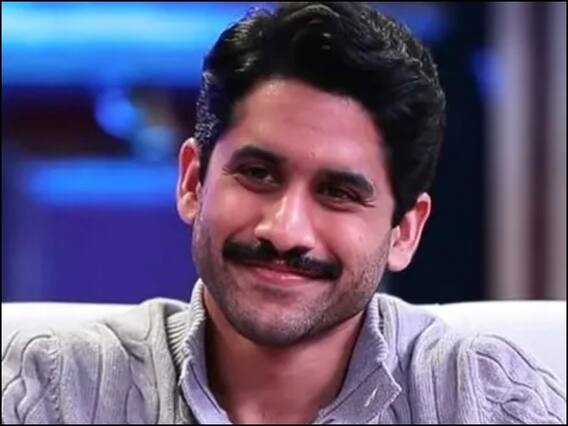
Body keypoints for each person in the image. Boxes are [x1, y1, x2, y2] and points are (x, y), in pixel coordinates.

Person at [2, 2, 565, 424]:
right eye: (258, 173)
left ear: (404, 232)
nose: (285, 230)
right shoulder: (57, 390)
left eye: (338, 192)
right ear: (193, 181)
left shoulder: (482, 399)